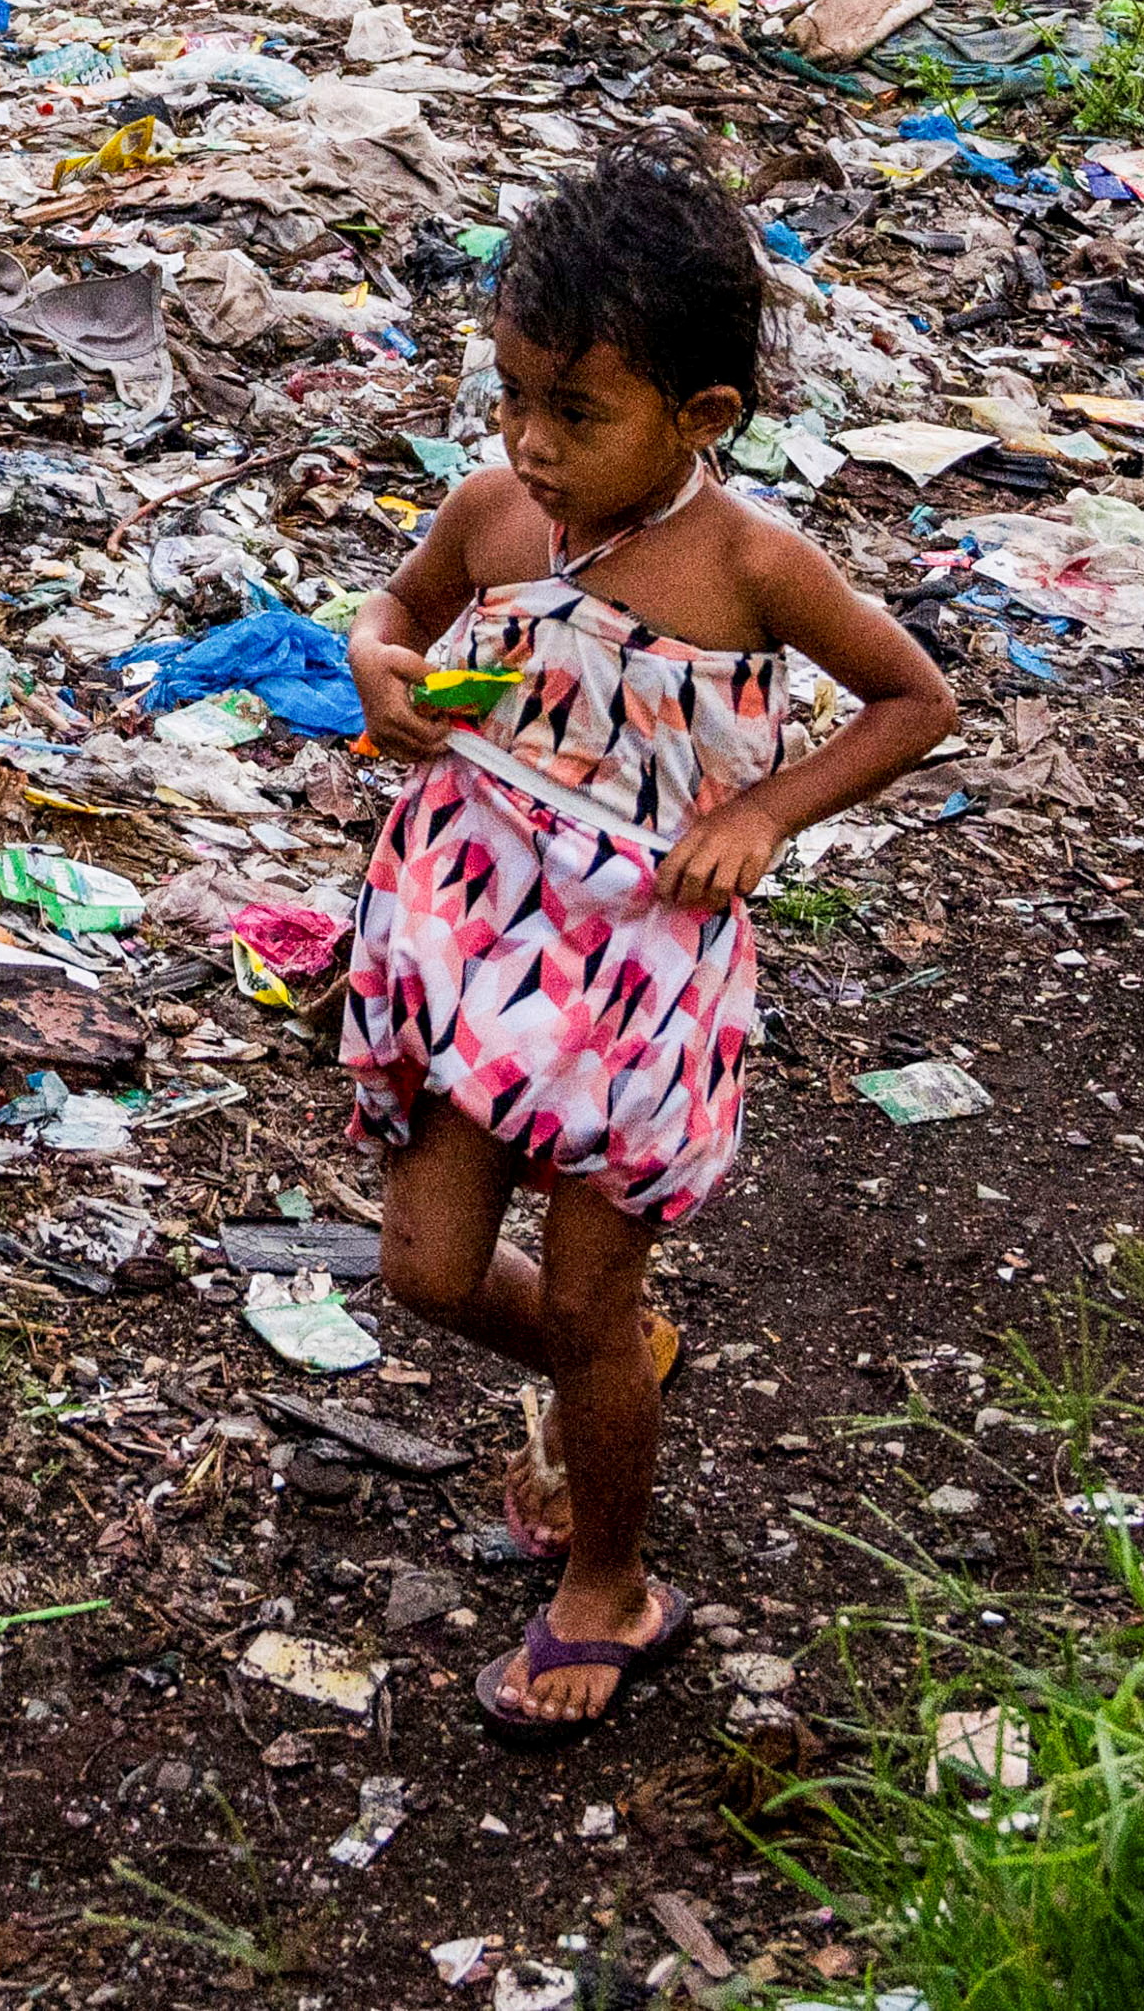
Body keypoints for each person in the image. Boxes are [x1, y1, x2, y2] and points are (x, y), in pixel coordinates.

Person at [340, 148, 957, 1736]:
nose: (531, 446)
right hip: (471, 936)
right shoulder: (493, 514)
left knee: (590, 1309)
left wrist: (766, 815)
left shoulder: (749, 565)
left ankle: (609, 1582)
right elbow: (393, 614)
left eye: (576, 414)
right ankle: (607, 1357)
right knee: (425, 1271)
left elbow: (916, 702)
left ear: (703, 420)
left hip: (636, 977)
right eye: (510, 398)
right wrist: (379, 672)